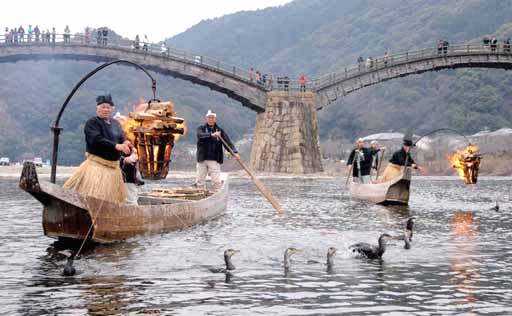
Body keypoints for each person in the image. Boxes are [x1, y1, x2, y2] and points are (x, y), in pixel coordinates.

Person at [63, 95, 131, 204]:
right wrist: (116, 146)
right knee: (94, 199)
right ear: (97, 108)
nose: (105, 109)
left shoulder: (116, 123)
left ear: (112, 109)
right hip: (97, 167)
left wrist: (125, 143)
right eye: (103, 107)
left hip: (114, 169)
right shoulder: (92, 123)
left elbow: (121, 138)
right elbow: (96, 139)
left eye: (108, 107)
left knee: (114, 202)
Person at [196, 109, 239, 190]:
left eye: (212, 118)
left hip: (214, 160)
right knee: (200, 180)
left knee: (216, 181)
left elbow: (227, 142)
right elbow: (200, 136)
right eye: (209, 117)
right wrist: (212, 135)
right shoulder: (201, 128)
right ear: (206, 118)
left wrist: (234, 152)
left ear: (215, 119)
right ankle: (199, 193)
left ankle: (217, 194)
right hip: (202, 159)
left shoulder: (220, 130)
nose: (210, 119)